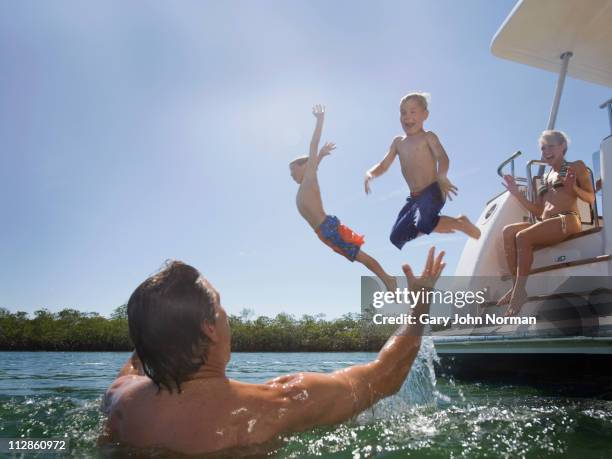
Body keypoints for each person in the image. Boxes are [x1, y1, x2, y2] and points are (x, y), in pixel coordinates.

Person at [100, 248, 445, 456]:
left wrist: (156, 326)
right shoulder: (274, 405)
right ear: (208, 327)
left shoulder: (122, 401)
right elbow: (385, 376)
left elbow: (134, 364)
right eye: (220, 306)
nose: (226, 316)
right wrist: (419, 308)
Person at [290, 104, 396, 291]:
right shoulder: (306, 181)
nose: (291, 175)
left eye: (293, 170)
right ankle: (387, 279)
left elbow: (312, 146)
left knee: (359, 256)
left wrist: (320, 120)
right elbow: (313, 164)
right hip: (324, 234)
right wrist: (321, 155)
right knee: (356, 257)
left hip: (328, 228)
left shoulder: (308, 179)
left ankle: (388, 279)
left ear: (304, 166)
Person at [364, 92, 481, 249]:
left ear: (425, 115)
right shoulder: (398, 142)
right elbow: (384, 165)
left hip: (434, 189)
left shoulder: (428, 137)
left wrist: (442, 176)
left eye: (413, 112)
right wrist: (370, 174)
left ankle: (458, 224)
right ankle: (436, 224)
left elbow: (443, 157)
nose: (407, 116)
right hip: (414, 199)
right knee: (396, 237)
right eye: (403, 112)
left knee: (423, 221)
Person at [498, 130, 595, 316]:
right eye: (543, 148)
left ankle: (518, 292)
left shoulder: (575, 166)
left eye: (550, 146)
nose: (546, 151)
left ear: (562, 147)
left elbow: (590, 198)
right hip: (549, 222)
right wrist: (516, 193)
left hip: (568, 219)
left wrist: (573, 188)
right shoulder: (546, 177)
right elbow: (538, 212)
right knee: (508, 231)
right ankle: (516, 286)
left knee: (522, 236)